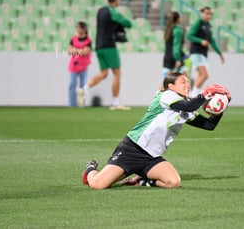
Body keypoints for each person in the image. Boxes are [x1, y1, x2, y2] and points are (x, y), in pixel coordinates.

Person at [81, 73, 231, 189]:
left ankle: (141, 180)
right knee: (97, 184)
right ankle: (90, 169)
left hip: (152, 157)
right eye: (183, 82)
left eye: (188, 82)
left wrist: (220, 109)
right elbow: (189, 106)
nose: (188, 85)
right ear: (171, 86)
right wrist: (204, 95)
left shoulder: (186, 108)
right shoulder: (165, 96)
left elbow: (208, 125)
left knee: (173, 182)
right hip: (132, 149)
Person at [80, 0, 132, 110]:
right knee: (117, 73)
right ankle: (115, 102)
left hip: (99, 46)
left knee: (104, 73)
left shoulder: (100, 11)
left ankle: (84, 89)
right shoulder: (112, 12)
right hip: (109, 46)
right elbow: (128, 23)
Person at [187, 6, 224, 97]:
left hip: (203, 54)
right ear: (202, 13)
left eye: (210, 14)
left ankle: (192, 94)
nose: (209, 16)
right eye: (207, 13)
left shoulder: (208, 26)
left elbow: (212, 41)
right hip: (196, 52)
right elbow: (189, 36)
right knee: (205, 75)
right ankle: (193, 95)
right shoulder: (198, 24)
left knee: (200, 75)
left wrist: (219, 53)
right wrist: (200, 41)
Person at [67, 21, 92, 107]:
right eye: (76, 27)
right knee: (72, 84)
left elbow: (85, 52)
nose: (77, 29)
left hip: (83, 65)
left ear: (84, 29)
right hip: (73, 65)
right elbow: (69, 51)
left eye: (79, 27)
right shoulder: (73, 39)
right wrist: (79, 50)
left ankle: (81, 104)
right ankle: (71, 104)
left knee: (82, 85)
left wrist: (75, 50)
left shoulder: (88, 40)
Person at [163, 11, 188, 78]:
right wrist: (177, 59)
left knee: (167, 83)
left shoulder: (168, 30)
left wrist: (183, 54)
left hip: (167, 58)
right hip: (174, 59)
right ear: (178, 19)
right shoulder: (178, 31)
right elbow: (176, 46)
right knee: (184, 80)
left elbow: (170, 46)